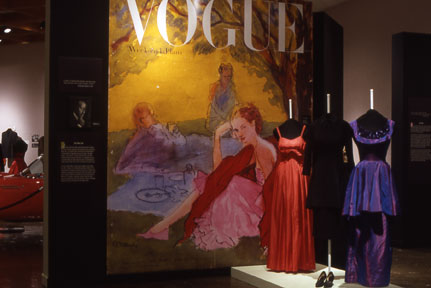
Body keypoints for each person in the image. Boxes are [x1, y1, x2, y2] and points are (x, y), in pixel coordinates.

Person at [140, 103, 277, 250]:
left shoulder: (262, 148)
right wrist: (217, 136)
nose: (239, 134)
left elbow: (271, 190)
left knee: (229, 184)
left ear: (253, 124)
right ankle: (163, 226)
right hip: (250, 194)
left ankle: (162, 227)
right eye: (236, 130)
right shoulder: (251, 147)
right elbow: (218, 170)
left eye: (243, 127)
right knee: (212, 182)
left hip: (258, 203)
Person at [343, 109, 399, 287]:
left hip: (378, 178)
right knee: (360, 227)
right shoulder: (354, 126)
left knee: (381, 228)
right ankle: (361, 274)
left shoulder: (390, 125)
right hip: (364, 177)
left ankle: (378, 275)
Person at [259, 118, 315, 273]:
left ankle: (299, 259)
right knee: (282, 214)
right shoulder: (278, 130)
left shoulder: (305, 129)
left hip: (299, 174)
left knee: (298, 214)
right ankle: (281, 260)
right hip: (283, 175)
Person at [115, 102, 186, 174]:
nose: (141, 121)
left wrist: (173, 133)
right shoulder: (145, 133)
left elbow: (179, 143)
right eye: (140, 119)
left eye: (143, 117)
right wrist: (172, 134)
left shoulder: (159, 128)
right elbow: (169, 145)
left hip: (164, 162)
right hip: (148, 167)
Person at [206, 63, 237, 133]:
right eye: (225, 76)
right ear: (220, 75)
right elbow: (213, 108)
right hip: (215, 121)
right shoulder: (214, 88)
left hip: (228, 121)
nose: (227, 79)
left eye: (229, 76)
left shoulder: (232, 90)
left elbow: (233, 106)